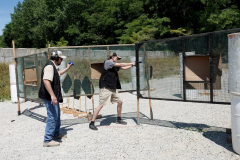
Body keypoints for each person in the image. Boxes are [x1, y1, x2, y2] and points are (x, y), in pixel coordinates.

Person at [89, 52, 136, 130]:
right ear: (113, 57)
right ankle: (92, 123)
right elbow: (121, 65)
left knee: (120, 102)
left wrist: (132, 65)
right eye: (117, 58)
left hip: (113, 88)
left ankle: (118, 119)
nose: (118, 60)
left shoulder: (114, 65)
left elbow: (123, 68)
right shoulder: (108, 62)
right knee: (101, 105)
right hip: (106, 88)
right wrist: (132, 62)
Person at [39, 50, 73, 147]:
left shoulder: (53, 66)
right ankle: (47, 140)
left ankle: (56, 134)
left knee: (57, 115)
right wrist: (52, 95)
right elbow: (46, 81)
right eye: (61, 59)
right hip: (50, 97)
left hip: (53, 96)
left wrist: (67, 68)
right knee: (52, 117)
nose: (61, 60)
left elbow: (58, 74)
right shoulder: (50, 67)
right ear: (57, 58)